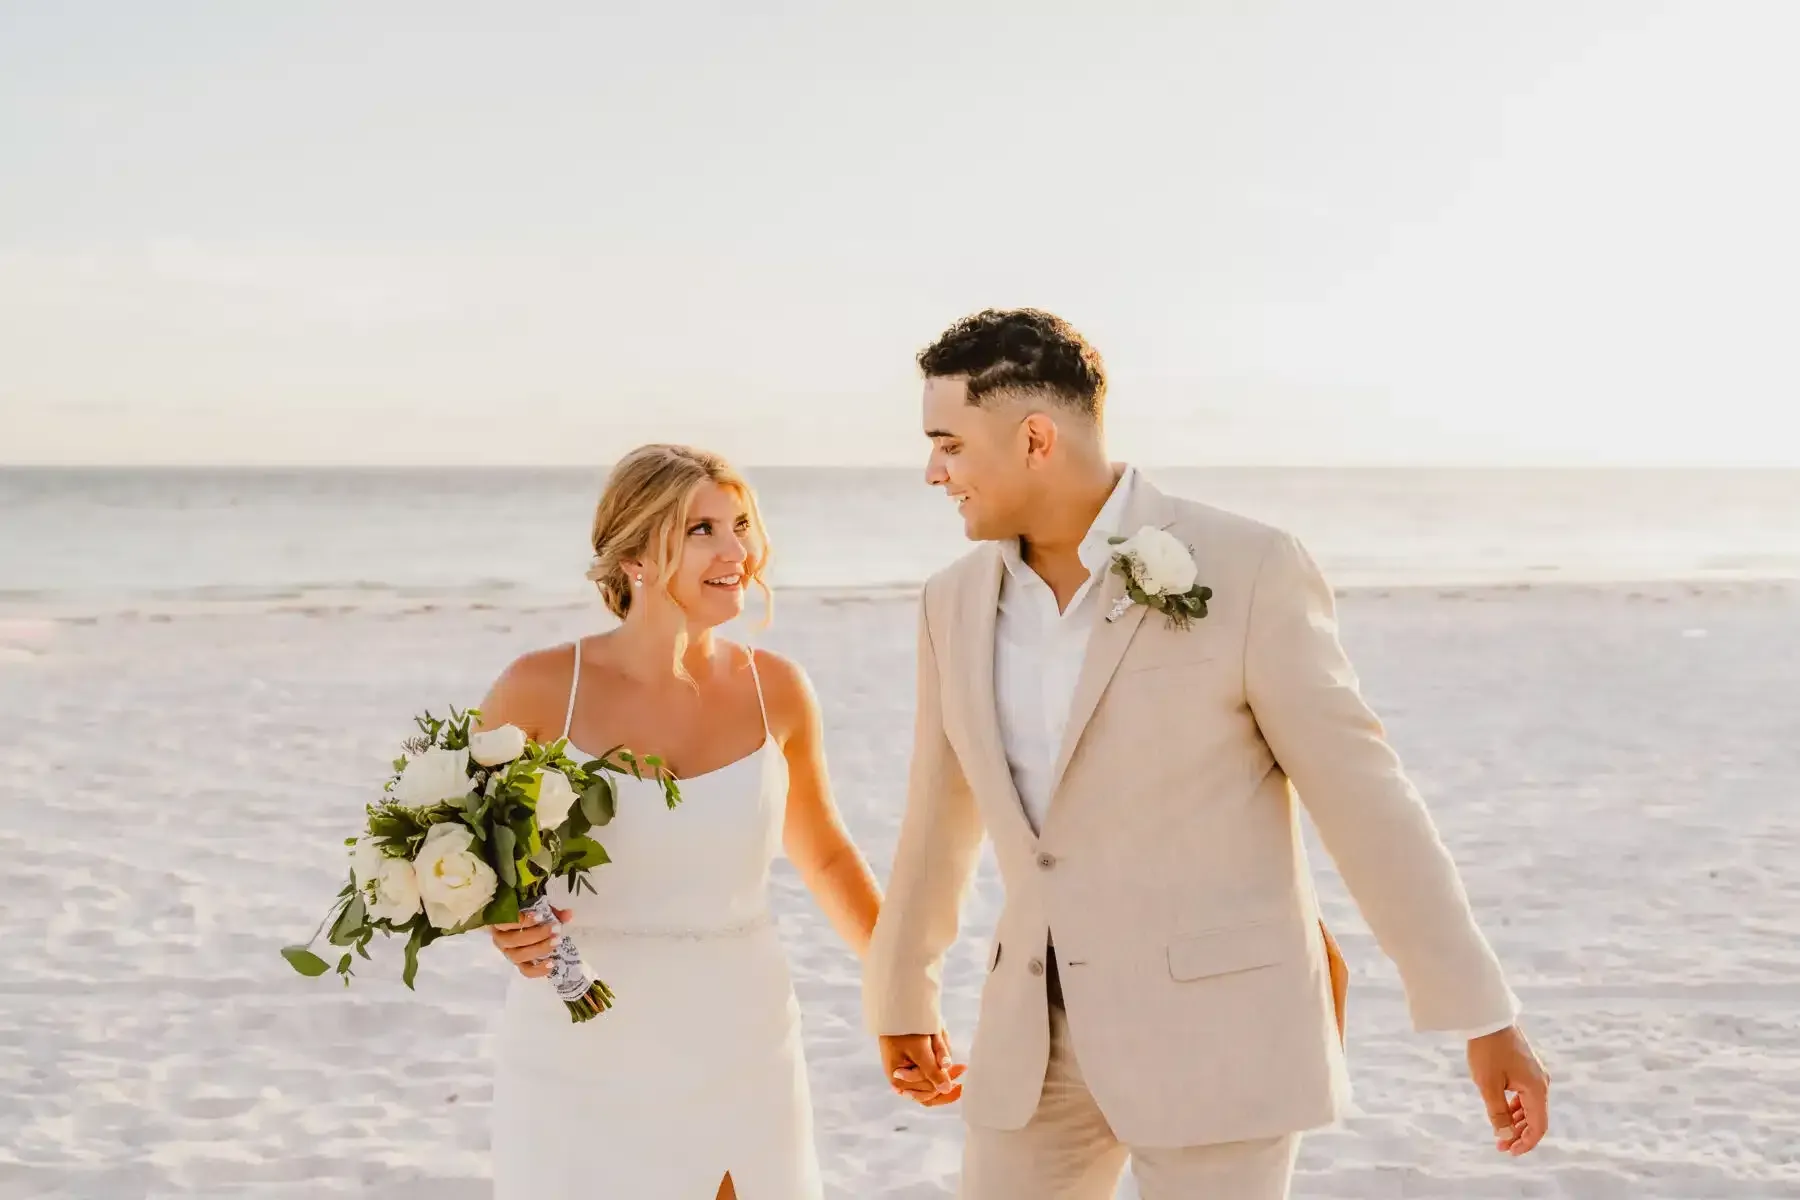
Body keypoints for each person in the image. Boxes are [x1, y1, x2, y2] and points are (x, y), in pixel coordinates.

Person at [863, 309, 1551, 1199]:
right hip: (1034, 1040)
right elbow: (937, 813)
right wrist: (903, 993)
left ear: (1035, 438)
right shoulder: (950, 602)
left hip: (1221, 1040)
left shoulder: (1249, 566)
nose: (934, 472)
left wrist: (1484, 1014)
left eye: (949, 445)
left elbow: (1367, 802)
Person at [478, 443, 893, 1200]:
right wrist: (503, 923)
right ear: (635, 555)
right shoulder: (537, 690)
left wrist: (902, 987)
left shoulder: (779, 691)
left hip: (743, 1031)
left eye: (741, 525)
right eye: (703, 530)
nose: (737, 552)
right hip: (580, 1045)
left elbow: (826, 855)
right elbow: (472, 859)